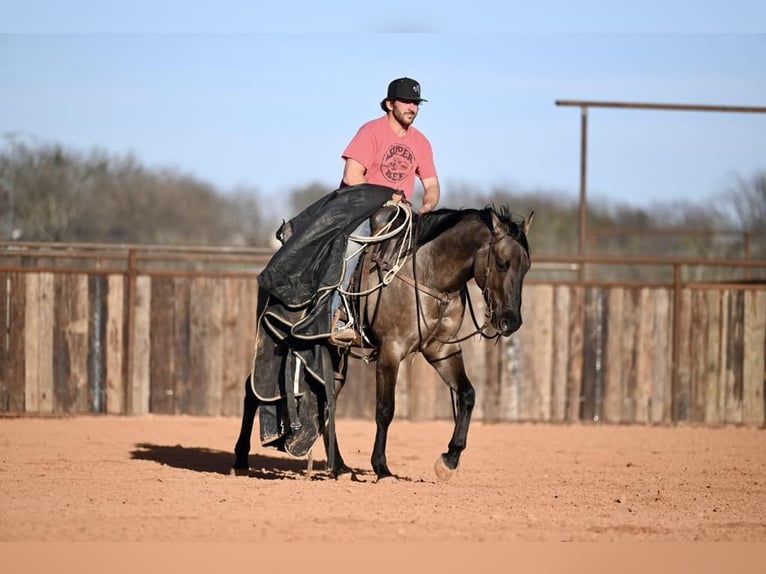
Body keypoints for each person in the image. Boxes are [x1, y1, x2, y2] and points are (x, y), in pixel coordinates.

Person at [331, 77, 441, 343]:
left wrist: (428, 205)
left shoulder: (421, 142)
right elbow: (352, 175)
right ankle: (337, 315)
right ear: (390, 103)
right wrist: (385, 197)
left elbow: (431, 184)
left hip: (400, 214)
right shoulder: (371, 131)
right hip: (362, 209)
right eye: (406, 102)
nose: (412, 108)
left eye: (416, 103)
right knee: (351, 247)